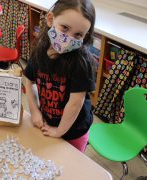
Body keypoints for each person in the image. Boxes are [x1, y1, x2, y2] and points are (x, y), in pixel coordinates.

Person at [24, 0, 96, 152]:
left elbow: (75, 103)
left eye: (77, 35)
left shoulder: (81, 63)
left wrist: (59, 132)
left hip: (73, 131)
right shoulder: (39, 51)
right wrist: (35, 110)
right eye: (65, 28)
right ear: (50, 19)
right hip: (48, 122)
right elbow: (28, 79)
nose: (68, 38)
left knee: (70, 167)